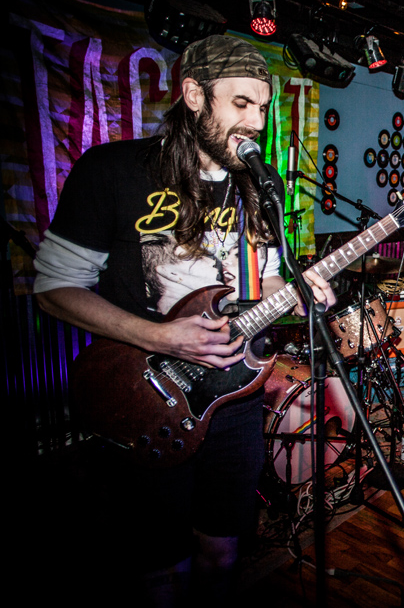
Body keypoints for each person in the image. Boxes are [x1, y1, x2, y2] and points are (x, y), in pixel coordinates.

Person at [32, 35, 334, 605]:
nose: (256, 120)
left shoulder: (257, 186)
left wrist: (295, 291)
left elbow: (259, 281)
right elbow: (53, 289)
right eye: (240, 103)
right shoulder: (115, 171)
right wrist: (160, 335)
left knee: (222, 552)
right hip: (147, 393)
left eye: (263, 106)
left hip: (235, 399)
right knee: (159, 566)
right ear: (194, 96)